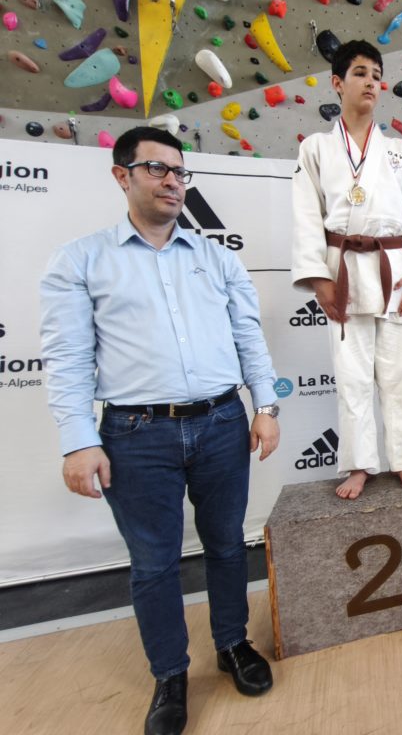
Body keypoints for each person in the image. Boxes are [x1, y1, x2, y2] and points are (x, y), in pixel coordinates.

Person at [39, 126, 280, 735]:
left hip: (223, 422)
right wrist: (79, 440)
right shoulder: (81, 260)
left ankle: (232, 644)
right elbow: (67, 358)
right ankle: (170, 674)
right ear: (122, 175)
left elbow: (249, 336)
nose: (173, 181)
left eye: (179, 171)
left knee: (227, 544)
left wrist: (266, 407)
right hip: (136, 433)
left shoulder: (216, 257)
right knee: (153, 563)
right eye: (157, 169)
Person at [292, 40, 402, 500]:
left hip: (393, 269)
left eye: (377, 75)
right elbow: (306, 216)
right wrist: (319, 277)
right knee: (352, 377)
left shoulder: (399, 152)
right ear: (337, 83)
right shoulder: (316, 148)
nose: (371, 83)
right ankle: (359, 464)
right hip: (342, 270)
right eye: (360, 73)